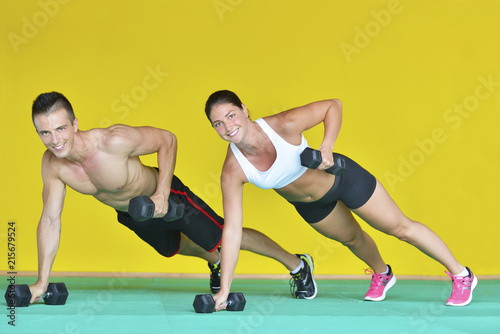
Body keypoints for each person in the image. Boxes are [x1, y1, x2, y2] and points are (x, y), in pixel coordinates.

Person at [29, 91, 318, 304]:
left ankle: (297, 264)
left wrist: (162, 194)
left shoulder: (112, 141)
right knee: (175, 247)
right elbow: (51, 219)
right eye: (45, 133)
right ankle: (216, 261)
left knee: (221, 233)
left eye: (60, 129)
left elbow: (167, 140)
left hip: (168, 198)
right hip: (134, 214)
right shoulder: (53, 164)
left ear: (75, 124)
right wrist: (42, 280)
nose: (55, 140)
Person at [205, 89, 478, 310]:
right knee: (352, 239)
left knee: (400, 229)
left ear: (244, 109)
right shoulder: (233, 170)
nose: (228, 126)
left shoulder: (283, 125)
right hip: (311, 205)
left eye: (231, 115)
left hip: (343, 179)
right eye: (219, 123)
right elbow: (232, 230)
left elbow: (332, 105)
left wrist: (327, 145)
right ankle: (382, 273)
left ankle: (461, 275)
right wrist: (225, 290)